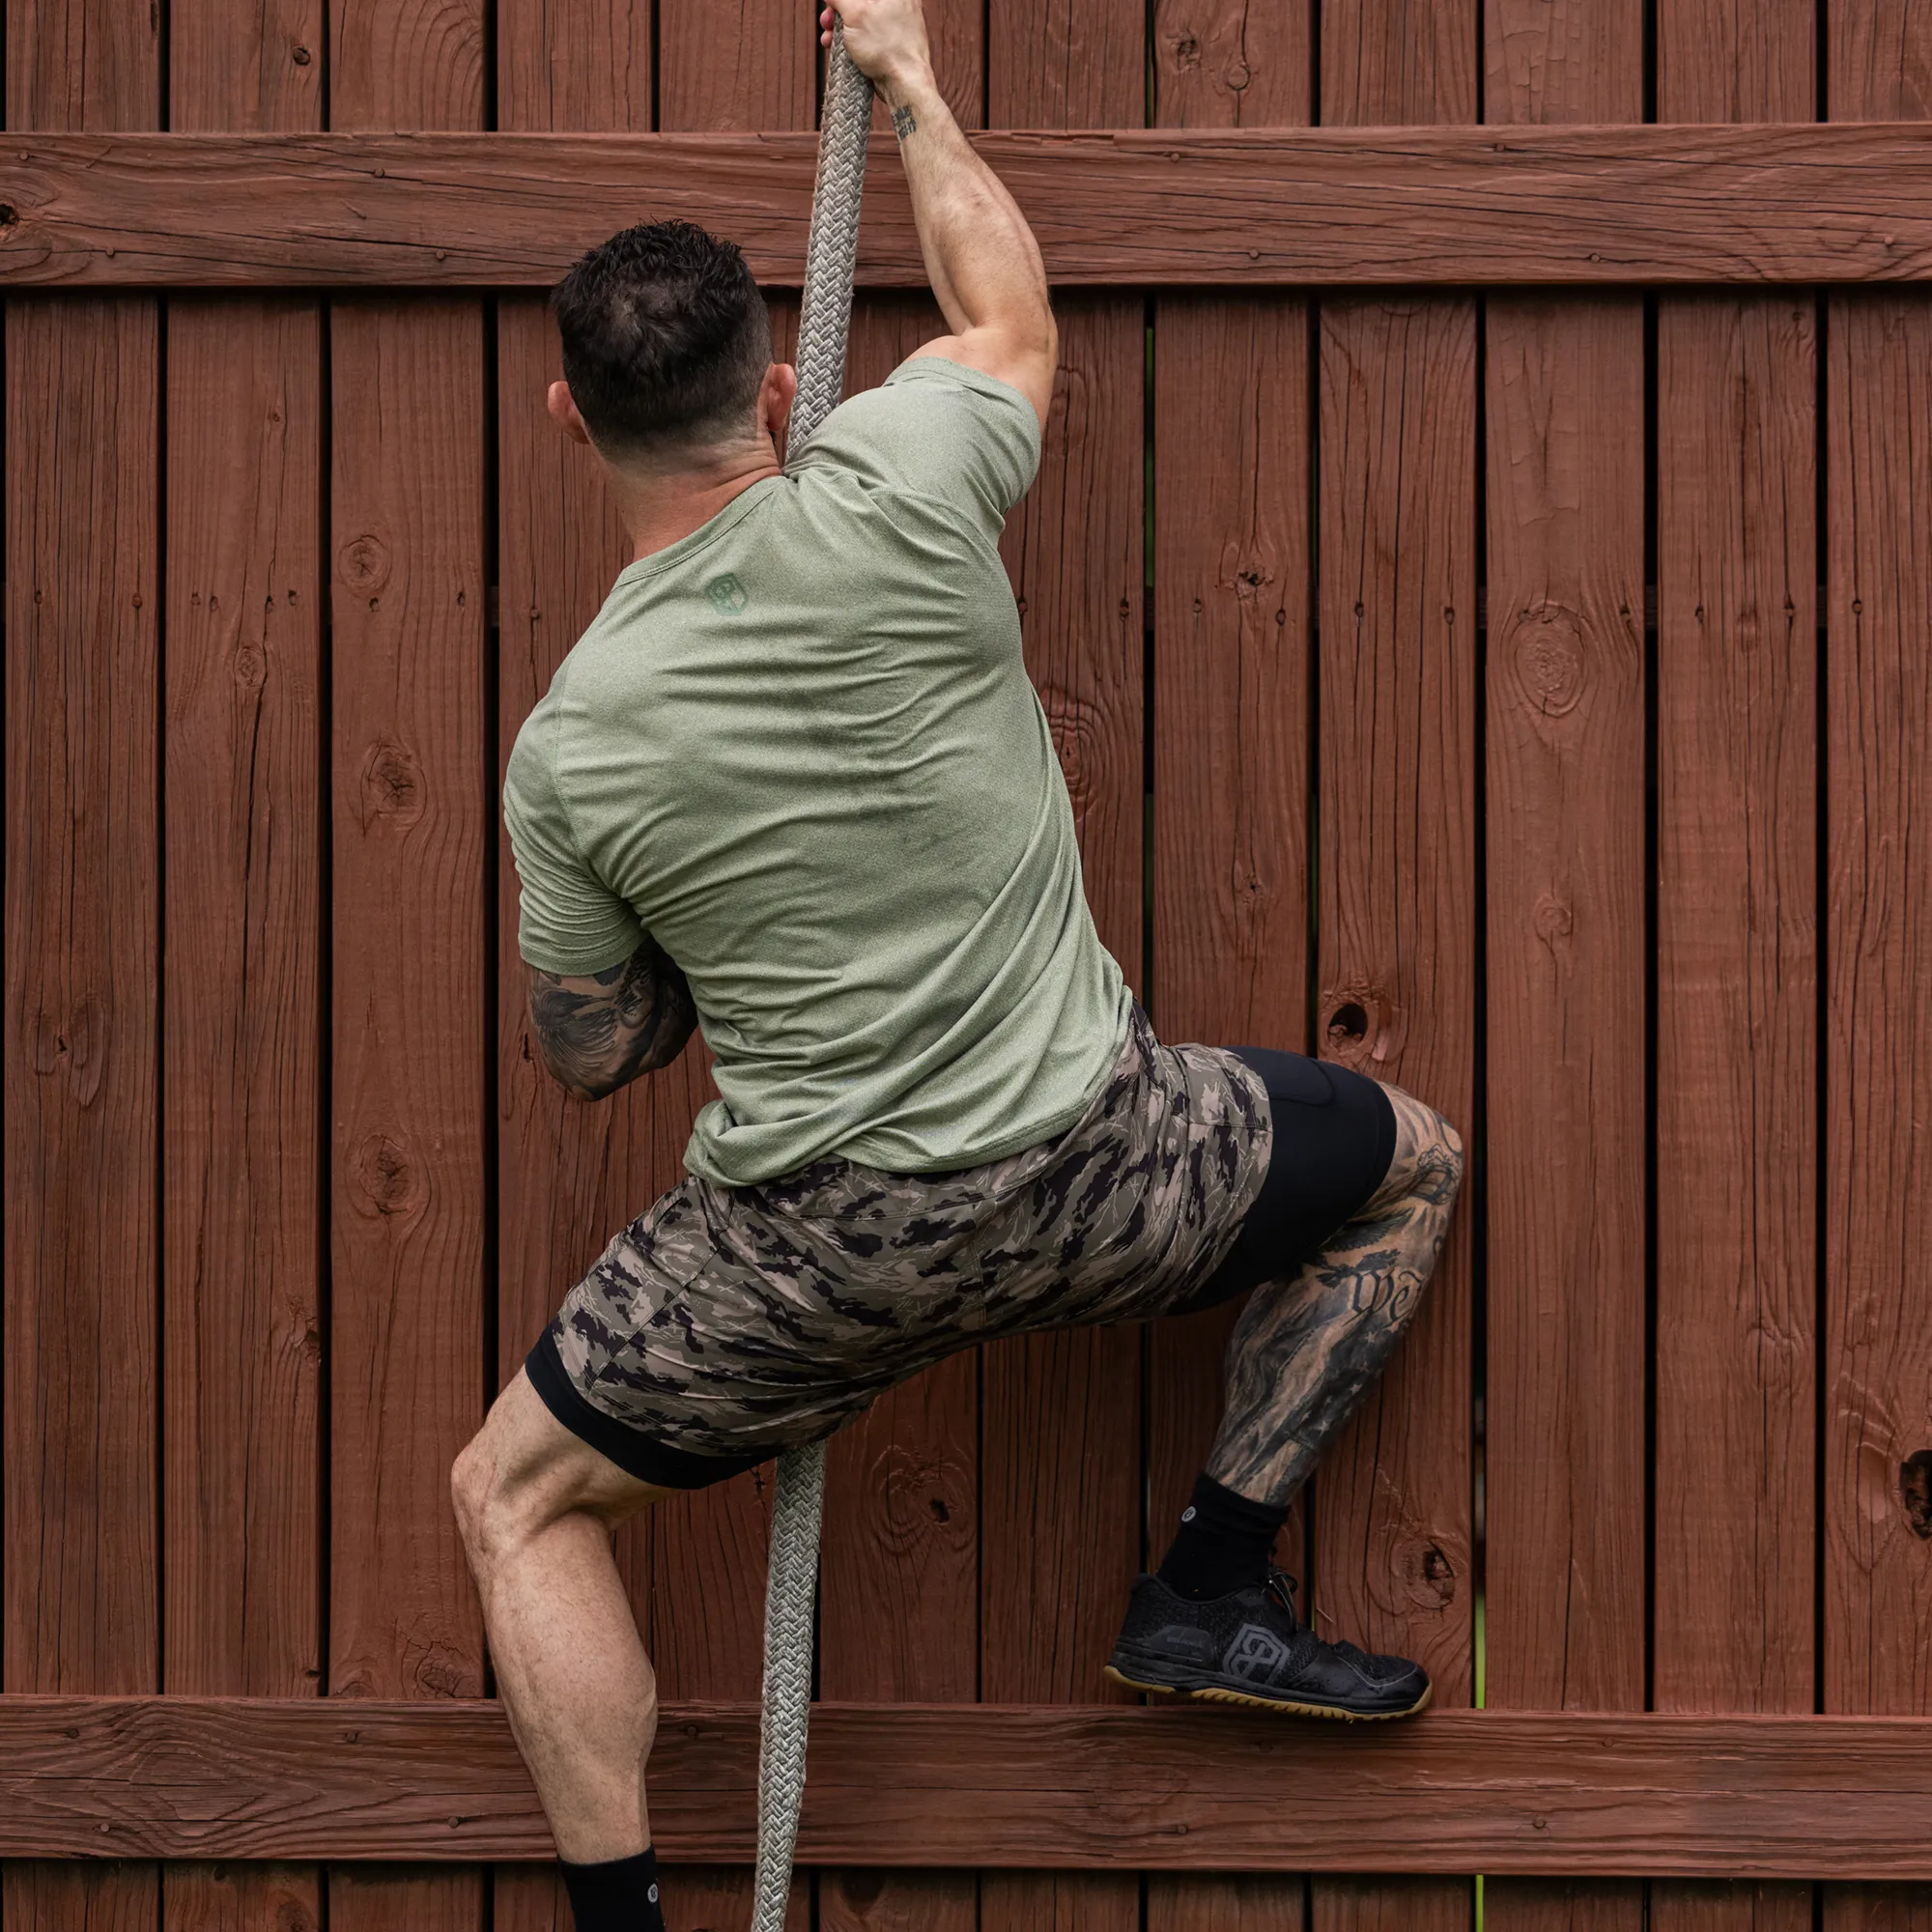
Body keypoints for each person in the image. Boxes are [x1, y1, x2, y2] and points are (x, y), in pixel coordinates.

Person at [451, 1, 1464, 1926]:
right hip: (1106, 1168)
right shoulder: (907, 478)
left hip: (820, 1250)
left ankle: (617, 1925)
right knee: (1402, 1162)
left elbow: (586, 1048)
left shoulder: (571, 746)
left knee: (509, 1497)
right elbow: (1004, 308)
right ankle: (1206, 1584)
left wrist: (677, 944)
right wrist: (910, 84)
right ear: (773, 392)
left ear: (567, 413)